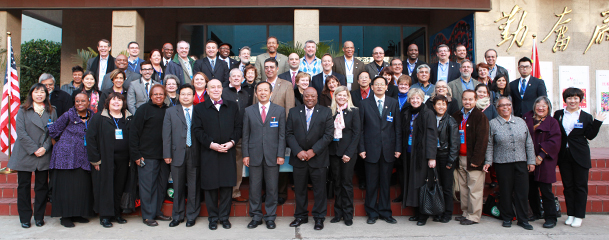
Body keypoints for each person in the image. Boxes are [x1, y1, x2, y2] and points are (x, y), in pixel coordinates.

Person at [192, 79, 242, 230]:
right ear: (207, 90)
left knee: (227, 187)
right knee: (211, 187)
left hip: (228, 151)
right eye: (212, 87)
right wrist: (211, 144)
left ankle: (224, 218)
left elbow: (238, 127)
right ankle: (213, 218)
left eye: (218, 87)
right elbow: (197, 130)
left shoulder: (232, 106)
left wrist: (232, 142)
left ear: (222, 89)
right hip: (209, 153)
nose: (215, 89)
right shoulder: (200, 108)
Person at [553, 87, 605, 227]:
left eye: (576, 98)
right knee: (568, 186)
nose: (572, 101)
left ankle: (579, 215)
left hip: (580, 155)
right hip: (564, 155)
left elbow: (590, 136)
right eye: (570, 98)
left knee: (580, 186)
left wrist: (597, 122)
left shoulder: (586, 116)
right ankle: (570, 214)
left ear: (580, 100)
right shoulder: (558, 114)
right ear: (565, 100)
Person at [7, 83, 57, 228]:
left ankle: (39, 217)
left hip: (43, 153)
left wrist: (45, 147)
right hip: (25, 152)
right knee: (24, 186)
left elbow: (53, 132)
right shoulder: (22, 110)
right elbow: (21, 133)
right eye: (36, 92)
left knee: (41, 187)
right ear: (31, 94)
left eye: (42, 92)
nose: (39, 94)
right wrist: (35, 149)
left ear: (46, 95)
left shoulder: (52, 110)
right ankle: (25, 217)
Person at [484, 97, 536, 230]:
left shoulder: (520, 122)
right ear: (497, 108)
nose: (505, 107)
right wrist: (488, 162)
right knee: (505, 192)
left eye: (508, 105)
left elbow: (528, 142)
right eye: (502, 106)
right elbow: (489, 145)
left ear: (511, 106)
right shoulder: (493, 124)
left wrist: (531, 161)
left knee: (522, 192)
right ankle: (507, 217)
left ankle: (523, 219)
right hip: (502, 162)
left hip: (521, 162)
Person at [286, 87, 334, 230]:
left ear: (317, 97)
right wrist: (298, 151)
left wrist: (314, 150)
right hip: (299, 158)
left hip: (318, 158)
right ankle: (301, 216)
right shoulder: (294, 112)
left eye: (312, 96)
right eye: (307, 96)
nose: (310, 98)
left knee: (320, 190)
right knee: (300, 189)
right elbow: (289, 133)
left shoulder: (326, 112)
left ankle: (319, 218)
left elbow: (328, 135)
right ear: (303, 96)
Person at [242, 81, 286, 229]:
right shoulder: (249, 111)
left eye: (265, 90)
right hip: (253, 155)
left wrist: (281, 154)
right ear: (255, 93)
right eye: (259, 90)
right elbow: (245, 135)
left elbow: (282, 135)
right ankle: (255, 216)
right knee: (254, 188)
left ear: (271, 93)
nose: (262, 93)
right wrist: (245, 154)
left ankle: (270, 217)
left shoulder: (279, 110)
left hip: (273, 156)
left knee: (272, 188)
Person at [359, 76, 402, 225]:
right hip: (370, 150)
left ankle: (385, 212)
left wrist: (397, 148)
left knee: (385, 183)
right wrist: (362, 148)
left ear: (386, 87)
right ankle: (371, 212)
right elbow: (361, 129)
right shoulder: (364, 104)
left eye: (381, 84)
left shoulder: (393, 103)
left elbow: (397, 128)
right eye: (376, 84)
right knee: (371, 183)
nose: (379, 87)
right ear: (371, 87)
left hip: (388, 150)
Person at [86, 92, 133, 228]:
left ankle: (116, 213)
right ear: (108, 102)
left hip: (123, 159)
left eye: (119, 100)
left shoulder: (128, 117)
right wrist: (95, 160)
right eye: (114, 100)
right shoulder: (99, 117)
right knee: (106, 187)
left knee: (119, 187)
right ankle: (105, 216)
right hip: (105, 159)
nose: (116, 102)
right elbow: (91, 138)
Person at [48, 93, 95, 227]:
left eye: (83, 101)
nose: (80, 103)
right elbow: (53, 131)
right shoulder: (68, 115)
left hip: (83, 158)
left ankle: (77, 214)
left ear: (88, 102)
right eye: (77, 101)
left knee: (81, 187)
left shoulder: (93, 116)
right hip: (66, 158)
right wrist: (59, 147)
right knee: (66, 188)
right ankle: (66, 217)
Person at [130, 84, 171, 227]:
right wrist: (136, 154)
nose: (158, 96)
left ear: (165, 95)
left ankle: (156, 212)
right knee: (148, 187)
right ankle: (148, 216)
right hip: (146, 156)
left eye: (161, 94)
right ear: (150, 96)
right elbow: (134, 133)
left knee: (161, 186)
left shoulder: (168, 110)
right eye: (155, 94)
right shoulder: (143, 110)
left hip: (165, 156)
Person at [162, 84, 201, 228]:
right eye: (183, 94)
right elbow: (166, 135)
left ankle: (192, 215)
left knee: (193, 186)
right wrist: (167, 154)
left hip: (195, 153)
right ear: (179, 96)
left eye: (188, 94)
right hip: (176, 153)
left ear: (193, 96)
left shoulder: (199, 111)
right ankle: (177, 216)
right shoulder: (171, 112)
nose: (185, 97)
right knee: (177, 187)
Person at [400, 88, 438, 226]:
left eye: (418, 98)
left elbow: (432, 137)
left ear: (422, 99)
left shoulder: (428, 113)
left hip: (422, 155)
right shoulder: (407, 113)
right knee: (413, 184)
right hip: (409, 153)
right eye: (412, 98)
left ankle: (424, 215)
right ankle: (417, 212)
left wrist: (432, 157)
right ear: (409, 100)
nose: (415, 101)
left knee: (422, 184)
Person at [522, 96, 561, 228]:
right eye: (538, 104)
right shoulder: (527, 118)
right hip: (528, 159)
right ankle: (536, 212)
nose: (541, 107)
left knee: (546, 190)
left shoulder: (552, 122)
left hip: (544, 160)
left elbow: (554, 141)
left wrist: (541, 155)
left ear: (548, 107)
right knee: (531, 189)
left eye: (544, 105)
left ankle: (551, 217)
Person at [452, 89, 489, 225]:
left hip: (473, 159)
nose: (467, 102)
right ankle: (466, 212)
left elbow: (482, 140)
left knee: (474, 189)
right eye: (465, 99)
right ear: (462, 100)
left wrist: (477, 160)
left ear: (475, 100)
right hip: (460, 158)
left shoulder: (480, 117)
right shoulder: (456, 116)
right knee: (463, 188)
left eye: (470, 99)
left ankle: (473, 216)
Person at [328, 86, 361, 226]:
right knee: (337, 183)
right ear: (334, 96)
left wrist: (349, 152)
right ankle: (338, 213)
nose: (341, 97)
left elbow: (356, 133)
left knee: (346, 184)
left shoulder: (354, 111)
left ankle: (348, 215)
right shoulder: (330, 112)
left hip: (348, 153)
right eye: (338, 95)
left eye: (344, 95)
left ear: (348, 96)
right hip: (334, 152)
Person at [222, 69, 251, 203]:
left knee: (238, 164)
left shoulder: (246, 94)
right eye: (233, 76)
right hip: (225, 134)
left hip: (241, 134)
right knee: (224, 164)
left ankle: (235, 192)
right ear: (229, 78)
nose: (236, 78)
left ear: (242, 78)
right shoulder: (223, 92)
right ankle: (223, 193)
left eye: (238, 76)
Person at [431, 95, 459, 223]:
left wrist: (451, 160)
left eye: (443, 104)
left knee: (446, 187)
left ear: (447, 106)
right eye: (438, 104)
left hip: (445, 157)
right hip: (434, 156)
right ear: (433, 106)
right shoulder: (431, 118)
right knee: (437, 186)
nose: (441, 107)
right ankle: (438, 211)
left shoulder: (451, 121)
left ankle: (447, 213)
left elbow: (455, 143)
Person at [350, 71, 372, 190]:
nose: (363, 79)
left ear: (370, 80)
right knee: (360, 154)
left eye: (366, 78)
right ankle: (362, 179)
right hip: (357, 126)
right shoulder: (352, 94)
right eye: (361, 78)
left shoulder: (375, 93)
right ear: (357, 81)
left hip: (372, 127)